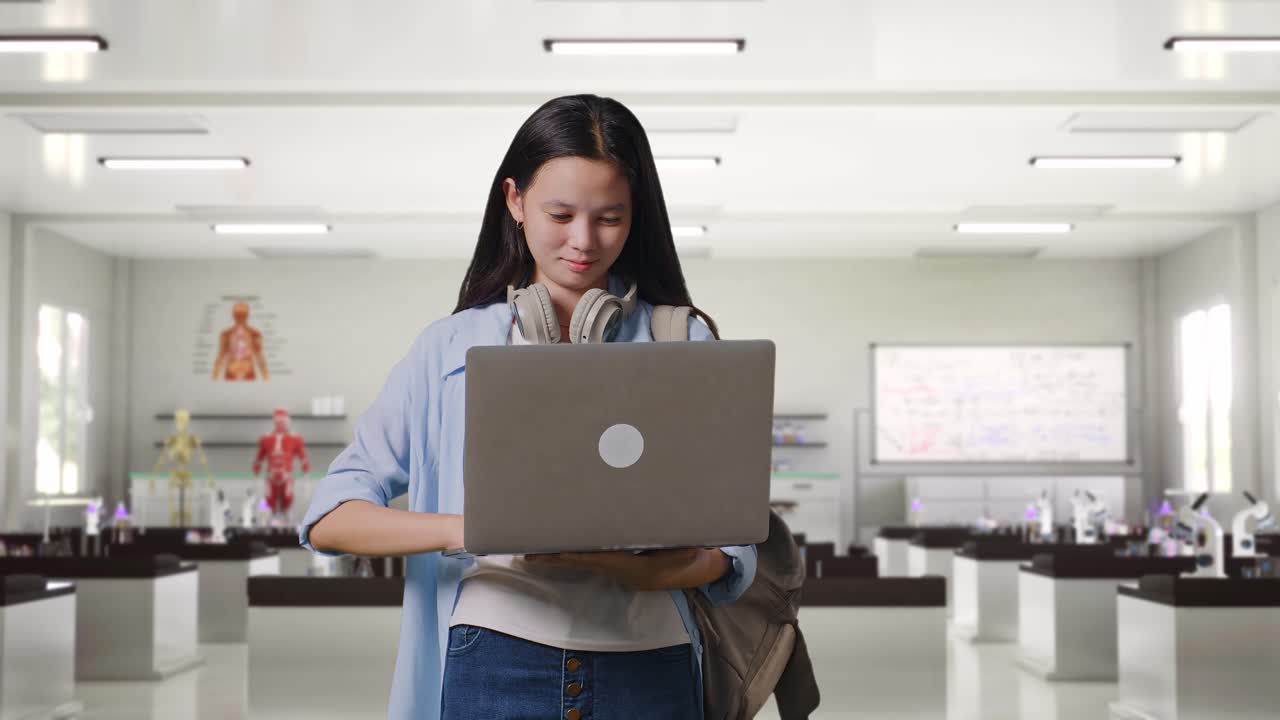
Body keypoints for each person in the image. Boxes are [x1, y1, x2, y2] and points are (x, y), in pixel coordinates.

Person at [300, 94, 757, 720]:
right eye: (560, 213)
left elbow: (733, 547)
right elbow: (330, 517)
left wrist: (658, 571)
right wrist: (473, 529)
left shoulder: (682, 342)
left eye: (610, 218)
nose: (583, 241)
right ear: (515, 201)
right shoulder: (449, 348)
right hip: (494, 656)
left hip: (651, 661)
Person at [211, 301, 269, 381]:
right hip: (231, 374)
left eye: (243, 315)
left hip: (248, 374)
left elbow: (260, 356)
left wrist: (266, 377)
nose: (240, 318)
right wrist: (214, 377)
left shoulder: (255, 334)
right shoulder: (226, 334)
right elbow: (221, 356)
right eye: (237, 315)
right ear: (233, 315)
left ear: (247, 315)